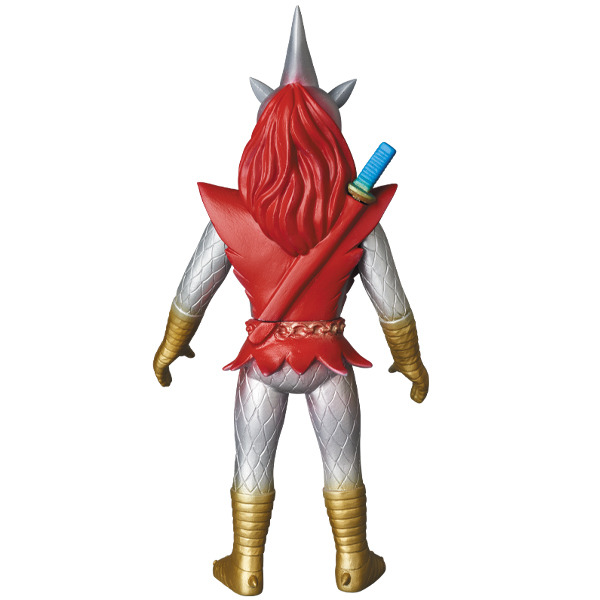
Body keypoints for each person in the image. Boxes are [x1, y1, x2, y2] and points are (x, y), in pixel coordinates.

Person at [153, 8, 428, 596]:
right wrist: (411, 361)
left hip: (262, 363)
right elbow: (393, 305)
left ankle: (246, 566)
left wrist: (170, 347)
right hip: (329, 364)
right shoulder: (360, 222)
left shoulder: (231, 219)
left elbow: (191, 292)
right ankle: (352, 562)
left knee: (251, 462)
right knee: (343, 464)